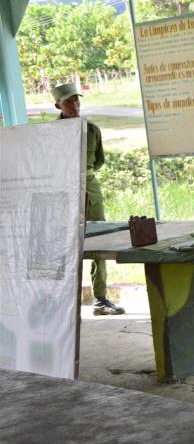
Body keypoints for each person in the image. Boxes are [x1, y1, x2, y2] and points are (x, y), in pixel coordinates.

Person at [53, 82, 125, 316]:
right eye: (68, 101)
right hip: (63, 188)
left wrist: (85, 178)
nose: (74, 104)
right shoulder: (51, 132)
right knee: (64, 243)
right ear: (58, 105)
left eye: (77, 100)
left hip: (89, 187)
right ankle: (64, 302)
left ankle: (100, 298)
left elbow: (99, 160)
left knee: (99, 239)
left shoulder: (92, 129)